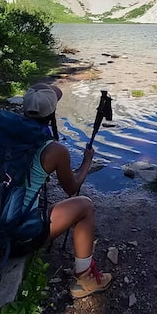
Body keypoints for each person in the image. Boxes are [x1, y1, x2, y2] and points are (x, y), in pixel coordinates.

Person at [22, 83, 113, 299]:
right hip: (17, 234)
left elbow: (45, 91)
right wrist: (87, 162)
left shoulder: (0, 131)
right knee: (85, 206)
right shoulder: (54, 150)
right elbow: (72, 188)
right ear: (51, 114)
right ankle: (86, 278)